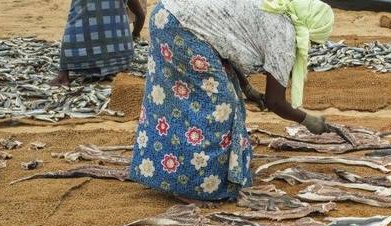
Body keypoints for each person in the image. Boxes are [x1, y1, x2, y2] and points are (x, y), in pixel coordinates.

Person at [128, 0, 336, 201]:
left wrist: (247, 88)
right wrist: (308, 120)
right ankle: (195, 186)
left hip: (166, 15)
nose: (310, 47)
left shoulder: (274, 11)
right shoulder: (284, 34)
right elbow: (275, 102)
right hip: (181, 27)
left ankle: (174, 171)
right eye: (313, 42)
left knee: (216, 95)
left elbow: (223, 43)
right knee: (221, 108)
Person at [50, 0, 146, 86]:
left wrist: (64, 68)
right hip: (120, 59)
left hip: (81, 59)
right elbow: (140, 15)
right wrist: (135, 34)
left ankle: (63, 74)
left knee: (75, 18)